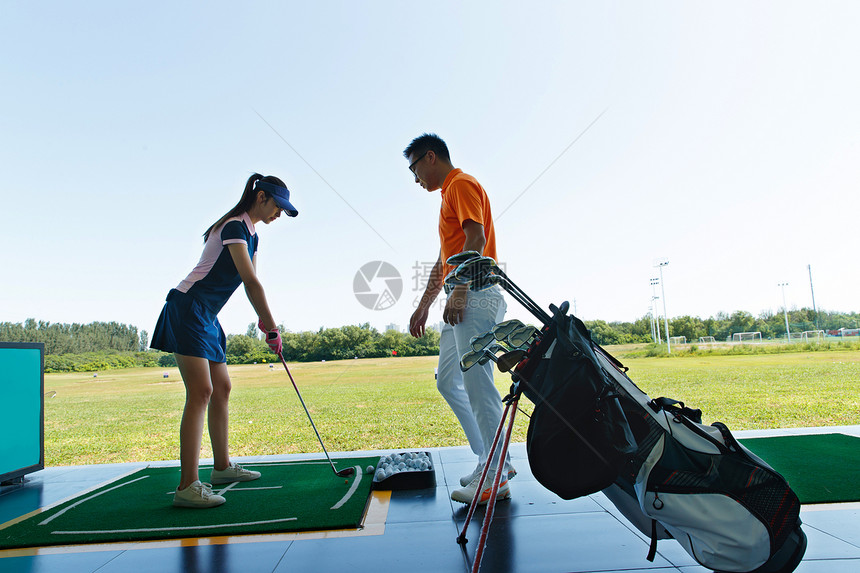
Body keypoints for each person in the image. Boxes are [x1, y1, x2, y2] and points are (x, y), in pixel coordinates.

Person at [151, 173, 298, 508]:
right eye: (278, 206)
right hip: (188, 307)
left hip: (207, 315)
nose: (279, 214)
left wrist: (264, 322)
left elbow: (253, 281)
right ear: (261, 197)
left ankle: (221, 467)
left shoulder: (252, 235)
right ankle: (188, 485)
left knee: (223, 388)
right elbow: (249, 281)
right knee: (201, 391)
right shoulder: (233, 226)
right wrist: (273, 327)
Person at [404, 134, 515, 504]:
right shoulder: (447, 198)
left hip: (477, 295)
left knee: (477, 381)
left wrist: (463, 288)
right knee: (449, 381)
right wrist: (423, 305)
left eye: (414, 167)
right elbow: (442, 262)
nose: (415, 177)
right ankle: (490, 460)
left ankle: (496, 470)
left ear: (430, 157)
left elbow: (477, 236)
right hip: (460, 297)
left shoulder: (461, 185)